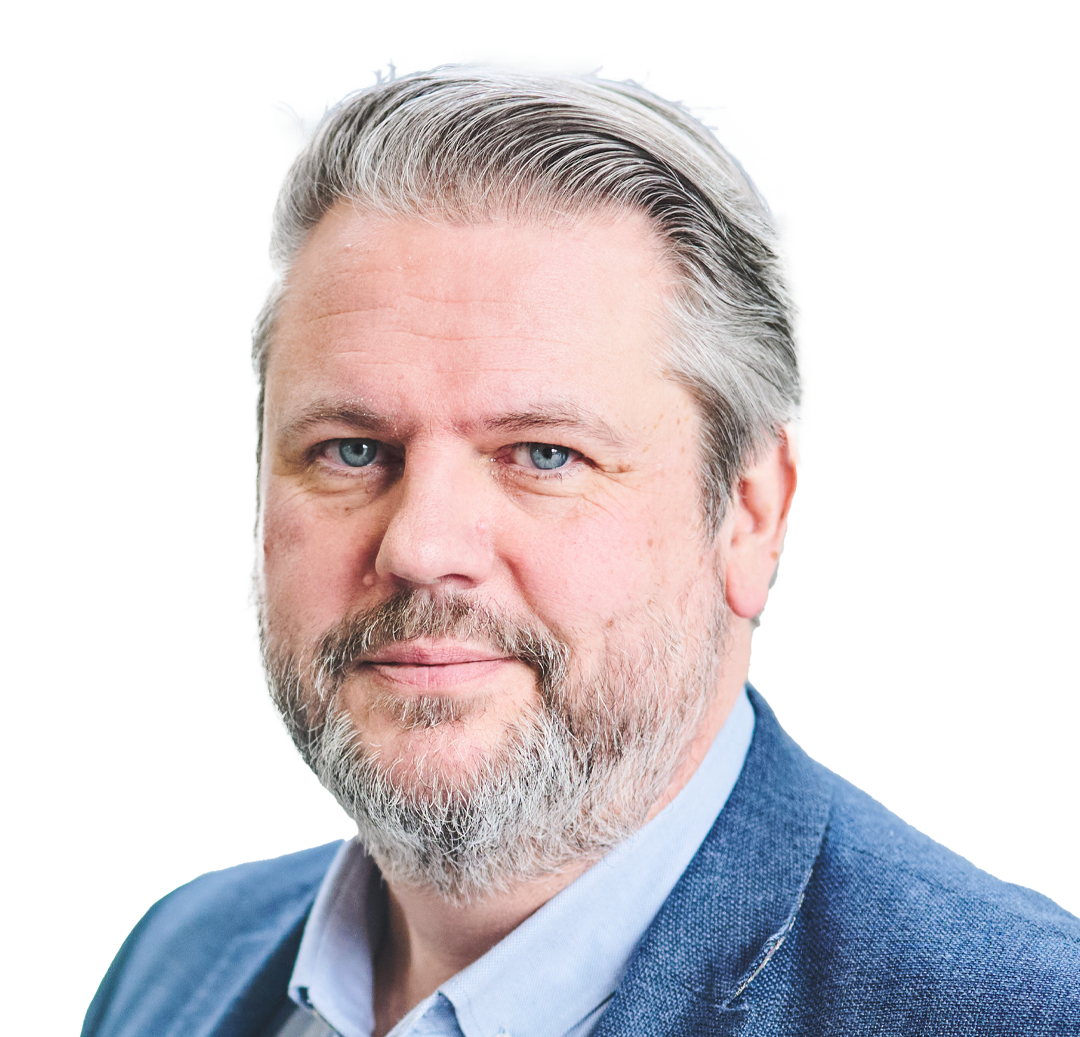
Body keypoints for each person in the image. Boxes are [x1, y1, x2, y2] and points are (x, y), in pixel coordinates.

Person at [82, 67, 1080, 1037]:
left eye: (544, 454)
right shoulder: (172, 963)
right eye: (352, 450)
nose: (422, 546)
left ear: (749, 511)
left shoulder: (1022, 1012)